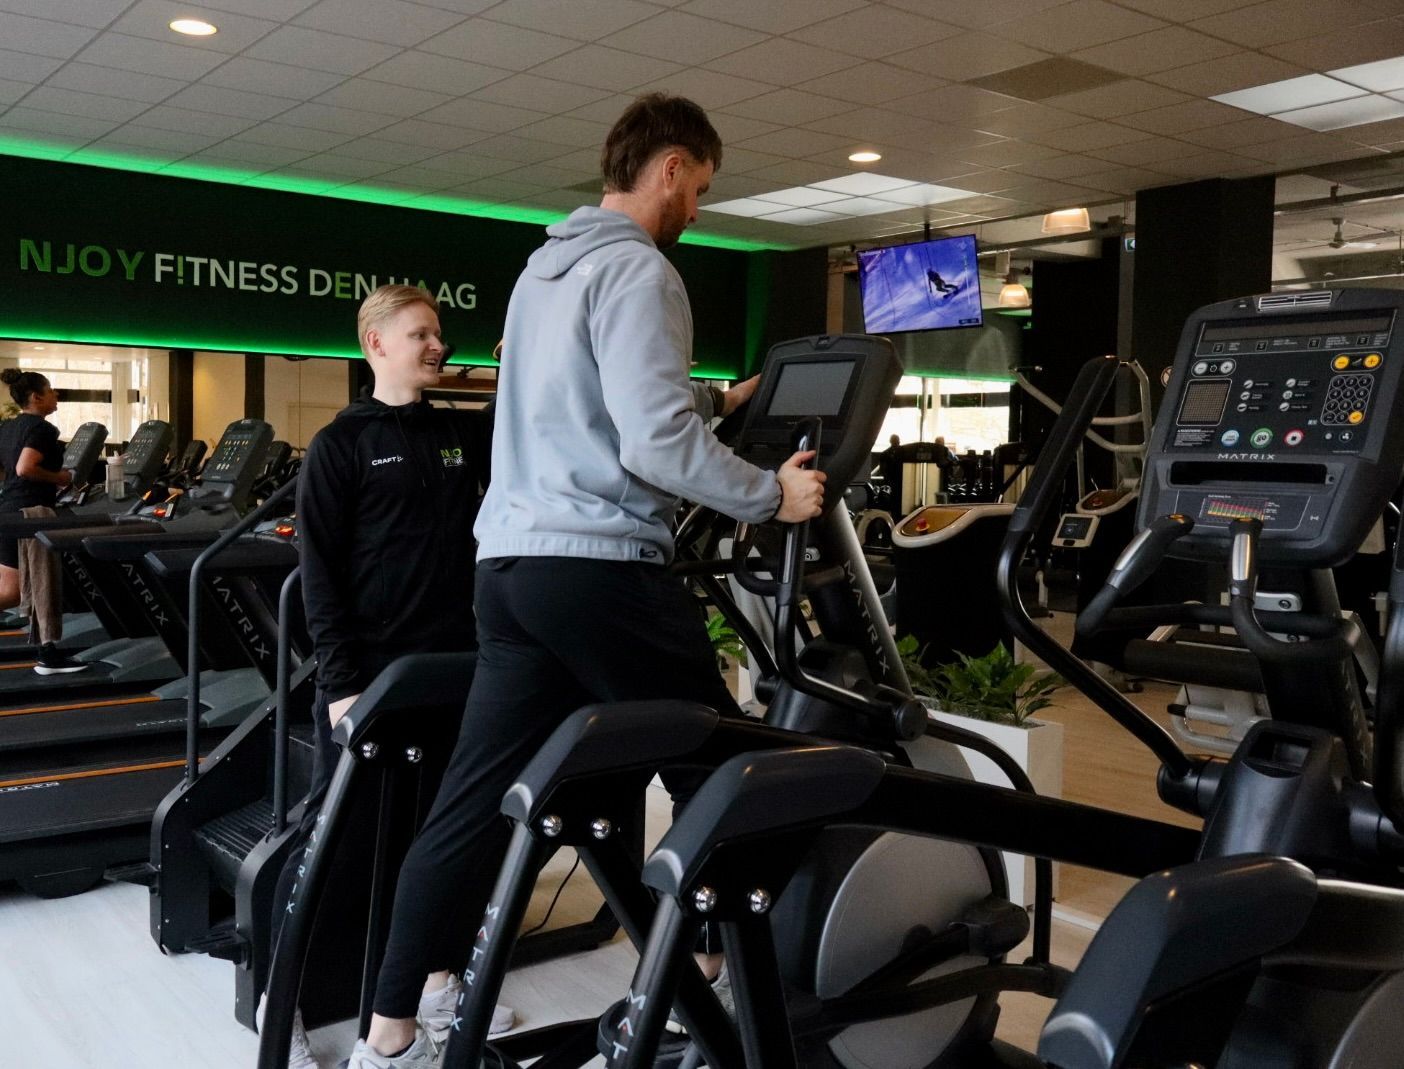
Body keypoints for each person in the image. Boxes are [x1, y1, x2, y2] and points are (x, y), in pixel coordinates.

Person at [341, 93, 826, 1069]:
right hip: (598, 568)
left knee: (470, 803)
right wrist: (771, 494)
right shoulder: (642, 269)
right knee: (728, 771)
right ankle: (699, 988)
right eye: (701, 187)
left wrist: (716, 400)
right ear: (672, 167)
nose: (697, 208)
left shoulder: (543, 271)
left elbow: (591, 398)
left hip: (509, 571)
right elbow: (653, 441)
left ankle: (388, 1040)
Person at [263, 285, 503, 1069]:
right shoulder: (342, 444)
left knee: (444, 836)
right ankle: (280, 1003)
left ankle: (435, 985)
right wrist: (341, 685)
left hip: (452, 671)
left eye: (439, 332)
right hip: (372, 679)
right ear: (375, 344)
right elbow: (320, 577)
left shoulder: (457, 433)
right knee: (332, 844)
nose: (438, 345)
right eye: (421, 333)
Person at [0, 368, 84, 674]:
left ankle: (47, 654)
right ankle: (48, 656)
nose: (55, 395)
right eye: (50, 391)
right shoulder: (43, 429)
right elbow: (25, 468)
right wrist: (61, 478)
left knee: (13, 590)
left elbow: (6, 471)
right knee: (38, 585)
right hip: (31, 513)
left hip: (9, 509)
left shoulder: (8, 427)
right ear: (36, 397)